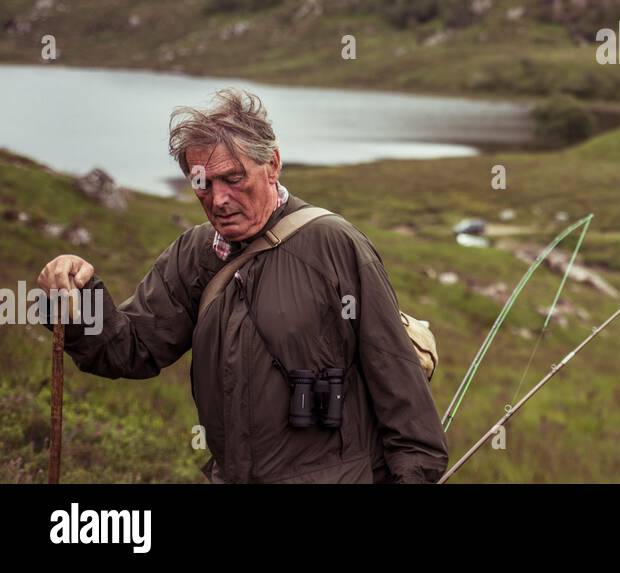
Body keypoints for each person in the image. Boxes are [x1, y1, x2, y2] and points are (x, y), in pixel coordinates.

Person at [36, 87, 449, 483]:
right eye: (202, 183)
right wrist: (75, 300)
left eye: (233, 179)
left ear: (272, 165)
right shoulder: (194, 254)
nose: (218, 199)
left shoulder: (335, 245)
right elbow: (128, 350)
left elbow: (401, 391)